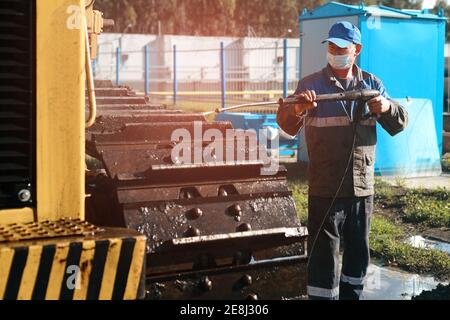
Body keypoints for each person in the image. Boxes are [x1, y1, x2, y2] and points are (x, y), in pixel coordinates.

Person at [277, 21, 408, 300]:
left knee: (357, 257)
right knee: (323, 259)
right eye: (332, 46)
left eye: (342, 47)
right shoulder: (310, 85)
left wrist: (386, 107)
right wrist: (299, 108)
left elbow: (399, 124)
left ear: (356, 49)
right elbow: (286, 124)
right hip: (325, 188)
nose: (335, 51)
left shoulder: (372, 84)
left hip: (361, 189)